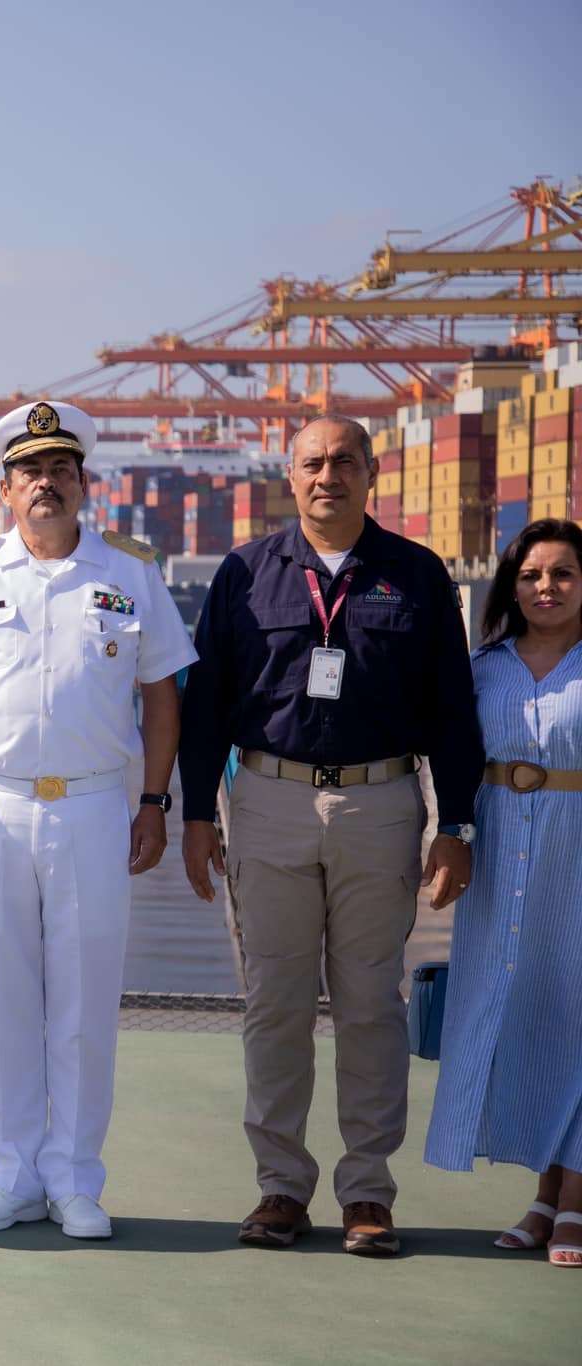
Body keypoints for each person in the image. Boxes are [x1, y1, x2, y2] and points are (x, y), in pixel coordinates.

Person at [179, 413, 481, 1257]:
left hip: (381, 806)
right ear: (290, 474)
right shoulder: (243, 574)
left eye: (344, 461)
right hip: (267, 802)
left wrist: (454, 824)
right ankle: (280, 1189)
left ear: (372, 472)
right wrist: (197, 816)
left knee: (369, 1006)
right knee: (273, 1003)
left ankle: (367, 1195)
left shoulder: (418, 576)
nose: (327, 476)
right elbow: (205, 709)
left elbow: (454, 714)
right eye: (312, 463)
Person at [0, 401, 196, 1241]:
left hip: (98, 804)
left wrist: (154, 801)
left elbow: (162, 695)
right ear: (5, 489)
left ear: (83, 484)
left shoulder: (130, 574)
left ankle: (74, 1179)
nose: (46, 484)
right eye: (30, 473)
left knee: (84, 998)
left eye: (61, 471)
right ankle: (12, 1173)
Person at [425, 519, 582, 1270]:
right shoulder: (482, 668)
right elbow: (453, 756)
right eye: (531, 575)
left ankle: (573, 1201)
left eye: (562, 575)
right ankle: (547, 1196)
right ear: (509, 586)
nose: (545, 588)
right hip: (499, 856)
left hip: (574, 852)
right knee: (527, 1022)